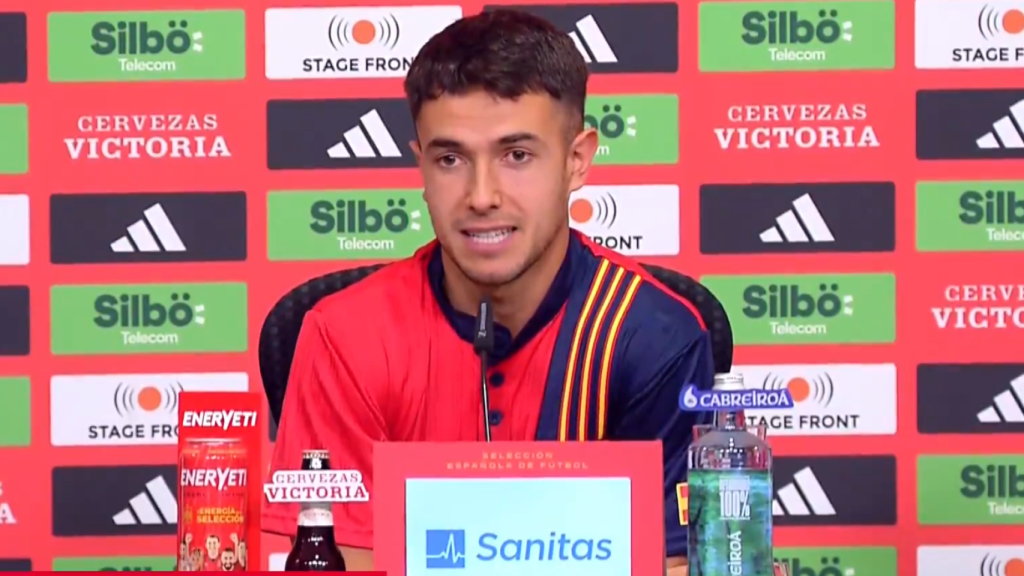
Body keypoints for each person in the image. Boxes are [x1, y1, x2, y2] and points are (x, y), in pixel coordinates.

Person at [262, 9, 713, 575]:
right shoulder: (345, 335)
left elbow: (676, 562)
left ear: (576, 161)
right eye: (450, 159)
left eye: (516, 155)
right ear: (421, 167)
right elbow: (340, 559)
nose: (481, 196)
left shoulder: (651, 337)